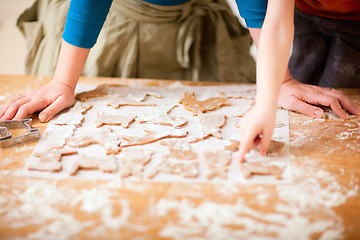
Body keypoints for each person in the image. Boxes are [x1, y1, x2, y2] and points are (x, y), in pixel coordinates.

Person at [0, 0, 359, 161]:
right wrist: (63, 83)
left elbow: (266, 12)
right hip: (115, 17)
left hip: (195, 17)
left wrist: (279, 82)